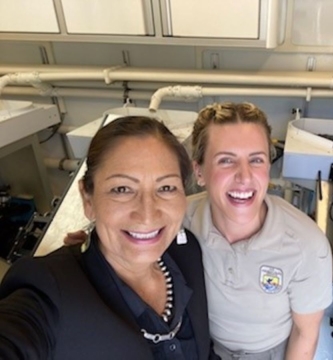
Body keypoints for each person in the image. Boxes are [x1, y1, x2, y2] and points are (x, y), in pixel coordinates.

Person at [65, 102, 333, 360]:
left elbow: (305, 333)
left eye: (256, 160)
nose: (244, 176)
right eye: (226, 161)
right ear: (199, 171)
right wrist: (93, 238)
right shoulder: (179, 219)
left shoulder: (306, 245)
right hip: (201, 344)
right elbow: (130, 231)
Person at [0, 116, 219, 360]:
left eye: (166, 188)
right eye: (122, 189)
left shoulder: (186, 251)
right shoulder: (49, 290)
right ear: (88, 199)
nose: (147, 214)